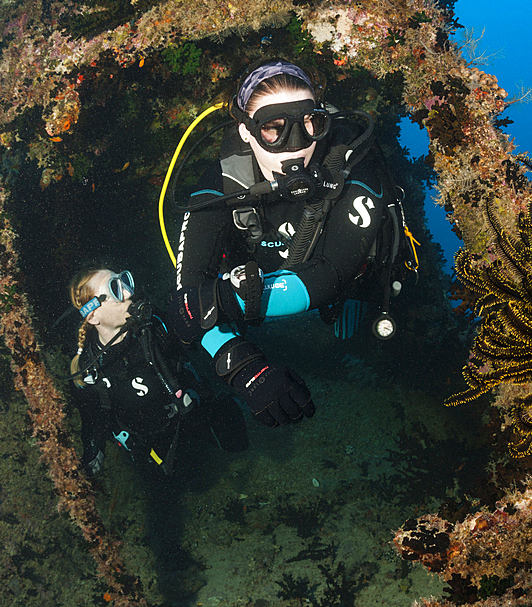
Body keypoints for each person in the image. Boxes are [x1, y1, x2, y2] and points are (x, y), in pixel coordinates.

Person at [169, 58, 414, 429]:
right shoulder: (217, 187)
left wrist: (225, 299)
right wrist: (242, 366)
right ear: (246, 133)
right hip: (274, 278)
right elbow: (185, 304)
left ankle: (345, 307)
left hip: (349, 279)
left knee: (358, 304)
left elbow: (331, 271)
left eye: (309, 124)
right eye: (272, 128)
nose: (295, 147)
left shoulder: (354, 161)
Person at [69, 266, 248, 477]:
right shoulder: (90, 368)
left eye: (125, 281)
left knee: (237, 443)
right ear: (92, 316)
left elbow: (197, 322)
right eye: (116, 289)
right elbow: (91, 417)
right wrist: (92, 450)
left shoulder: (156, 326)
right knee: (178, 481)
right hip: (151, 440)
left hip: (193, 414)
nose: (129, 292)